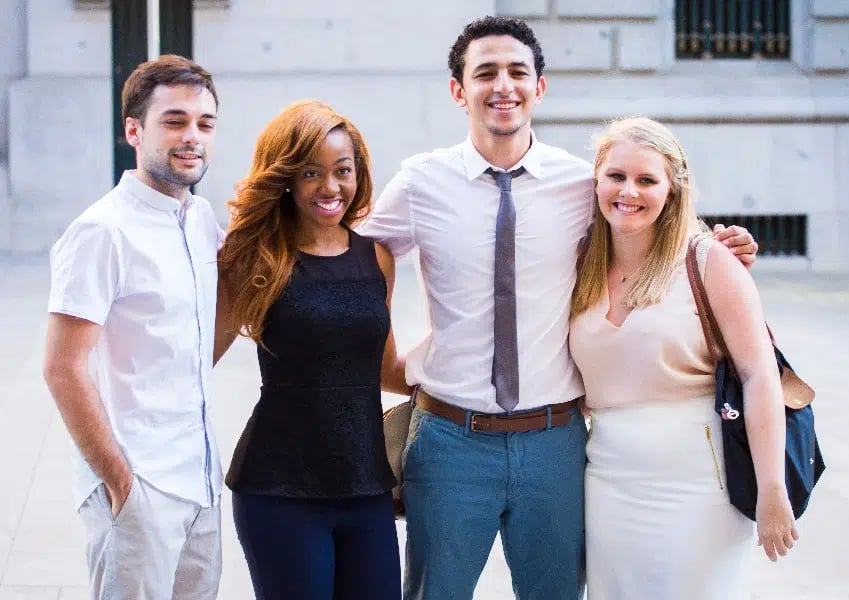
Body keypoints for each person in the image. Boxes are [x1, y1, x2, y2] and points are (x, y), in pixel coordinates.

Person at [358, 15, 759, 600]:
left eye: (518, 72)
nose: (504, 86)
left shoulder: (582, 185)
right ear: (458, 90)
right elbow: (348, 260)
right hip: (449, 442)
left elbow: (652, 225)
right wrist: (385, 360)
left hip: (555, 442)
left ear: (539, 87)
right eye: (485, 72)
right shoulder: (421, 183)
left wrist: (719, 246)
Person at [569, 117, 798, 599]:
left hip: (699, 484)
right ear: (596, 179)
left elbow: (759, 375)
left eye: (647, 180)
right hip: (607, 480)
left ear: (671, 192)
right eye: (616, 175)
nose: (628, 191)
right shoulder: (579, 262)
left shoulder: (709, 260)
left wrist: (772, 488)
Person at [43, 55, 223, 599]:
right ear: (133, 130)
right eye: (174, 121)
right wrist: (121, 483)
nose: (192, 136)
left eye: (204, 124)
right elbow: (62, 368)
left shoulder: (200, 218)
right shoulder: (102, 231)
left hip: (202, 482)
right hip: (140, 484)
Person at [214, 99, 408, 599]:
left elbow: (383, 368)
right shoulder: (255, 258)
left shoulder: (377, 258)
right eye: (310, 172)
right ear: (284, 178)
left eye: (343, 170)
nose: (330, 187)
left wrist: (467, 365)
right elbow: (196, 361)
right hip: (278, 489)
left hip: (366, 486)